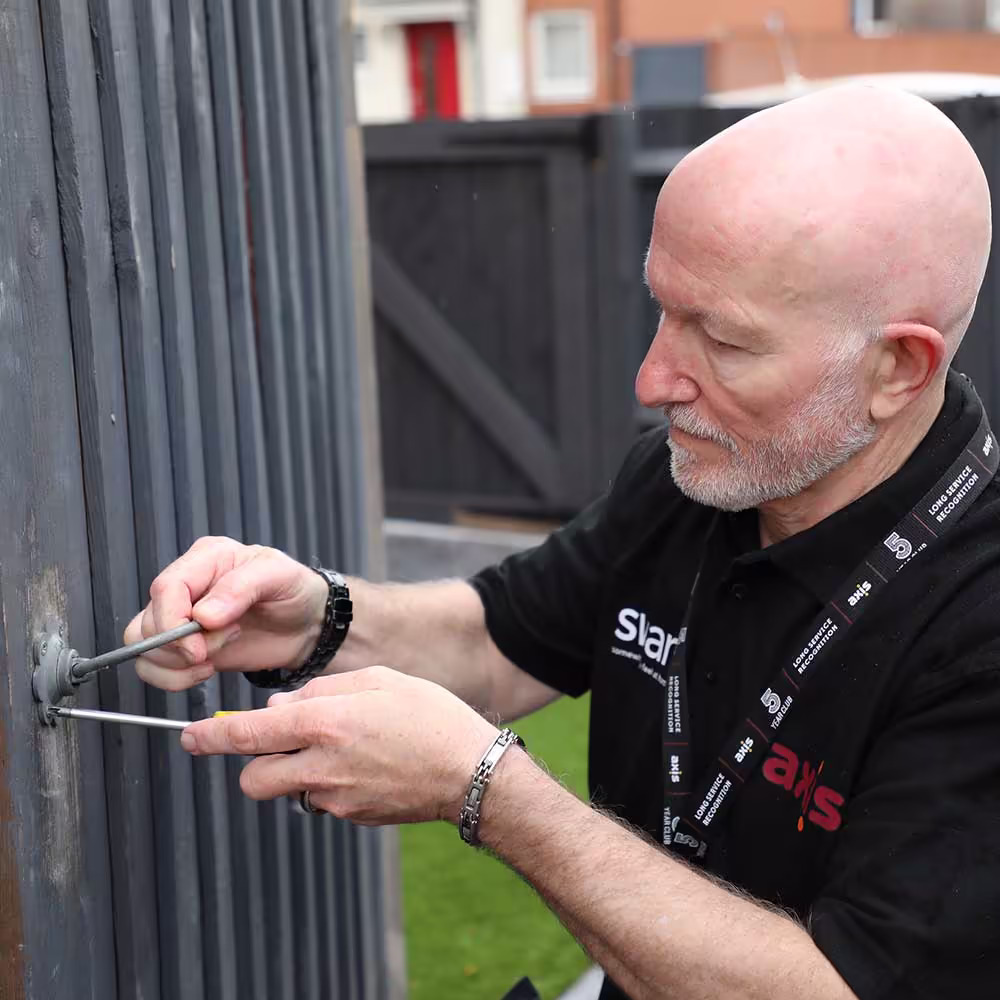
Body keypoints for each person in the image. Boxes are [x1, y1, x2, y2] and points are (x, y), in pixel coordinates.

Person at [127, 85, 1000, 999]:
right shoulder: (687, 480)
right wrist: (318, 619)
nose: (654, 377)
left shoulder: (975, 626)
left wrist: (490, 792)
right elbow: (497, 639)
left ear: (898, 368)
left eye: (725, 341)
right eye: (664, 308)